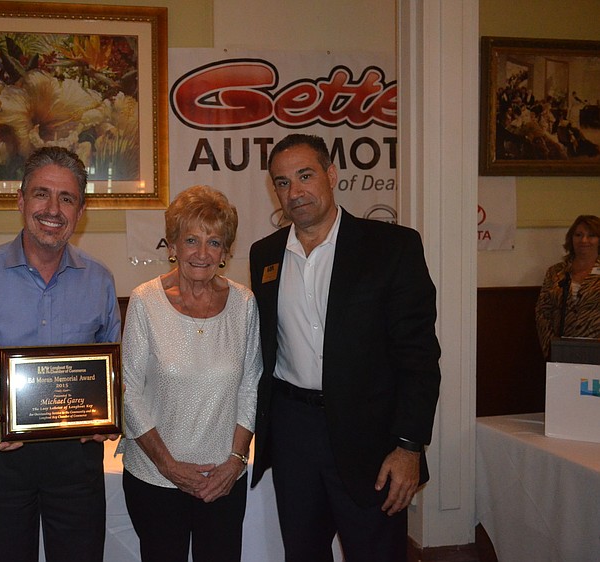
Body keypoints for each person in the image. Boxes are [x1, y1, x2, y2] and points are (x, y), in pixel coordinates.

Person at [248, 134, 441, 562]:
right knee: (302, 552)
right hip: (293, 432)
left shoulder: (392, 247)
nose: (294, 192)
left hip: (370, 440)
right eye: (282, 182)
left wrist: (409, 446)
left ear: (331, 175)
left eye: (305, 176)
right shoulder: (265, 255)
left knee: (377, 553)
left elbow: (419, 357)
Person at [0, 146, 122, 562]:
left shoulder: (101, 280)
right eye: (41, 194)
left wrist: (109, 413)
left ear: (81, 210)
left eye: (67, 198)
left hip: (76, 456)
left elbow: (112, 365)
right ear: (20, 200)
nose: (53, 209)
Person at [120, 185, 262, 562]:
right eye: (192, 240)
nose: (202, 253)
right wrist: (170, 467)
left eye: (214, 242)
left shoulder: (244, 304)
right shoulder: (144, 301)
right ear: (172, 246)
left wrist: (235, 461)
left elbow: (251, 387)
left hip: (224, 479)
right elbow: (129, 392)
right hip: (155, 478)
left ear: (226, 252)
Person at [535, 214, 600, 359]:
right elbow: (543, 312)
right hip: (563, 351)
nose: (584, 240)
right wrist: (551, 347)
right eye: (578, 235)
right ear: (571, 238)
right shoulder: (556, 272)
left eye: (591, 235)